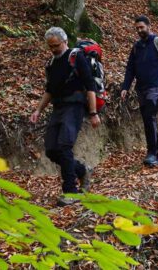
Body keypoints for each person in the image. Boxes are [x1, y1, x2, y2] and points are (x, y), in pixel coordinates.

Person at [30, 27, 101, 206]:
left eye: (56, 45)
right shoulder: (52, 64)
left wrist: (93, 113)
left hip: (75, 106)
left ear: (65, 42)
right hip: (58, 107)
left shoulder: (76, 57)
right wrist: (38, 110)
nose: (53, 49)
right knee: (51, 150)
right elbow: (49, 91)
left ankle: (71, 191)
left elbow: (90, 86)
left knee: (64, 145)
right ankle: (81, 170)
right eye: (50, 46)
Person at [121, 15, 158, 167]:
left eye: (142, 27)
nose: (139, 30)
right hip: (141, 87)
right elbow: (130, 69)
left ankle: (151, 152)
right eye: (137, 28)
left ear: (149, 26)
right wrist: (125, 87)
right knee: (149, 119)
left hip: (156, 85)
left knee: (149, 116)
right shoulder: (136, 47)